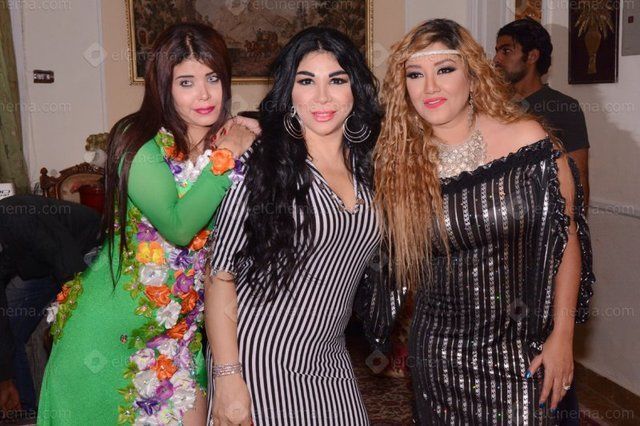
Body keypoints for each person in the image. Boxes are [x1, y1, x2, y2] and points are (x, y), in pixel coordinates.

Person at [374, 19, 595, 424]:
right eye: (415, 75)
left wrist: (562, 336)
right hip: (438, 356)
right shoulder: (399, 163)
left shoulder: (528, 142)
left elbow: (566, 239)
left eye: (445, 70)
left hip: (522, 351)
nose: (430, 87)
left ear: (473, 76)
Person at [37, 23, 256, 425]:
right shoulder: (138, 140)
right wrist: (226, 157)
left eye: (212, 78)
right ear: (163, 86)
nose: (204, 94)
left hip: (178, 335)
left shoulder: (228, 138)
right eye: (186, 82)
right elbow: (178, 226)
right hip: (107, 336)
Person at [204, 27, 382, 425]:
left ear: (356, 89)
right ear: (289, 92)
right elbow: (220, 274)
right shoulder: (259, 166)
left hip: (332, 359)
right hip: (258, 360)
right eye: (306, 81)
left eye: (337, 80)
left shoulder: (371, 169)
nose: (322, 96)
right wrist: (227, 376)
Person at [0, 195, 100, 420]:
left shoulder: (17, 217)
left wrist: (67, 316)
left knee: (79, 327)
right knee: (11, 326)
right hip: (42, 266)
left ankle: (84, 404)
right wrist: (4, 377)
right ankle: (25, 414)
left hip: (86, 247)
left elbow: (68, 263)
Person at [494, 18, 590, 207]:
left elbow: (578, 179)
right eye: (497, 51)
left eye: (506, 51)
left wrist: (574, 224)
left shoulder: (564, 107)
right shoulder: (492, 106)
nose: (496, 59)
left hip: (544, 218)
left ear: (532, 56)